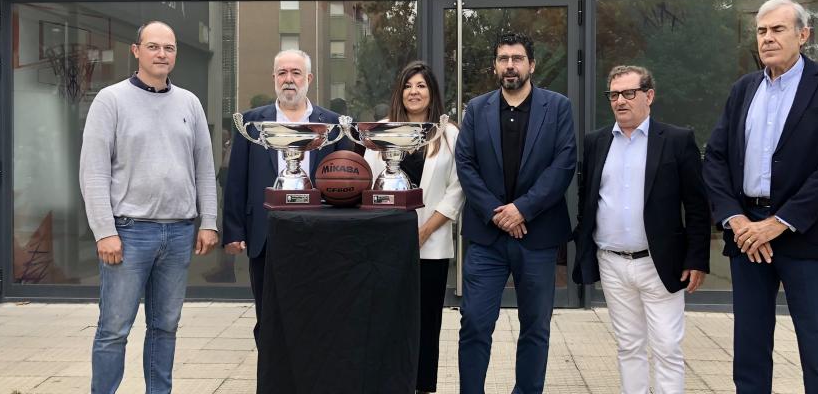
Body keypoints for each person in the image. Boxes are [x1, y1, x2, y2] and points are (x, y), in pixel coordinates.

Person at [702, 0, 818, 393]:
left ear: (803, 35)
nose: (768, 38)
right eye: (761, 31)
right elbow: (716, 159)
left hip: (806, 236)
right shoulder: (743, 89)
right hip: (747, 238)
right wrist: (736, 220)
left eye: (778, 29)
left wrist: (778, 223)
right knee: (750, 354)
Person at [80, 21, 219, 394]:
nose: (162, 54)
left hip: (178, 233)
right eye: (154, 47)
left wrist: (208, 221)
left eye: (169, 48)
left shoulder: (189, 102)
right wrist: (104, 231)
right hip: (128, 232)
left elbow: (204, 168)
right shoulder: (110, 100)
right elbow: (93, 172)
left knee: (165, 327)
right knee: (114, 329)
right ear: (136, 51)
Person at [572, 65, 711, 394]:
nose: (620, 101)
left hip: (660, 262)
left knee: (666, 348)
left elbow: (697, 204)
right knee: (629, 347)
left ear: (649, 95)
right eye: (614, 95)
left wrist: (697, 258)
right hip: (612, 262)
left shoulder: (677, 140)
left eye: (629, 93)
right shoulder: (596, 142)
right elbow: (587, 198)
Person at [455, 32, 577, 394]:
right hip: (486, 237)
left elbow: (563, 163)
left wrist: (522, 209)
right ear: (495, 66)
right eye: (503, 58)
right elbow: (466, 164)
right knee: (475, 322)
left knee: (536, 327)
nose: (510, 65)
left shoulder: (557, 107)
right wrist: (498, 213)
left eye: (518, 58)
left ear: (531, 65)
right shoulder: (477, 109)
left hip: (537, 237)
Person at [222, 49, 347, 350]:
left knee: (316, 314)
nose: (288, 80)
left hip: (319, 233)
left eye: (295, 73)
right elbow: (236, 178)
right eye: (282, 73)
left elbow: (346, 178)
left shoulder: (333, 123)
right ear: (274, 78)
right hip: (266, 233)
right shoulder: (252, 123)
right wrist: (234, 230)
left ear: (309, 79)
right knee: (268, 317)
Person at [363, 61, 465, 394]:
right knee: (385, 321)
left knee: (425, 323)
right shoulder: (378, 132)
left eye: (421, 85)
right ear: (400, 92)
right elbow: (365, 184)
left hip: (430, 245)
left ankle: (422, 387)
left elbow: (456, 189)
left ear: (432, 93)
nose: (414, 92)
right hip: (385, 247)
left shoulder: (449, 135)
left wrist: (424, 231)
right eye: (408, 85)